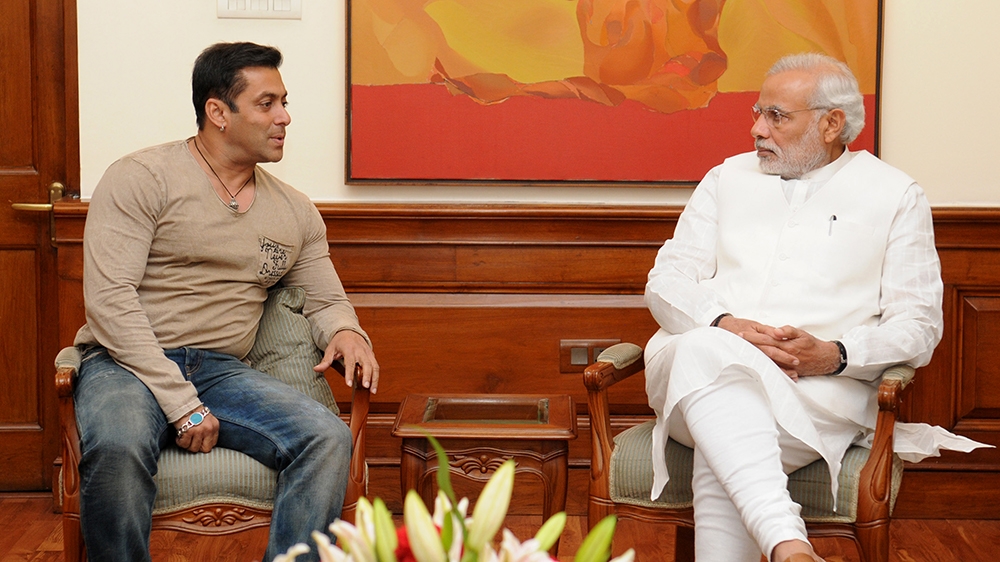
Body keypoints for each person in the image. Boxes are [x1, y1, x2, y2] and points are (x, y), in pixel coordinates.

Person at [643, 52, 987, 562]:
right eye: (758, 113)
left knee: (727, 443)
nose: (758, 129)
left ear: (831, 123)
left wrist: (835, 354)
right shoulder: (726, 179)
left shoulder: (895, 195)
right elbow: (665, 281)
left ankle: (788, 546)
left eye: (776, 116)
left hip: (815, 397)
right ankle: (788, 545)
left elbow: (918, 324)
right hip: (692, 375)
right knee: (703, 350)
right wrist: (725, 325)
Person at [72, 42, 379, 562]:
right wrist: (182, 404)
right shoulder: (142, 177)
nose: (284, 117)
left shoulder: (295, 212)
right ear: (217, 111)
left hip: (220, 371)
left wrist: (347, 332)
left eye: (284, 102)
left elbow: (325, 299)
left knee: (327, 438)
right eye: (266, 104)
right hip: (126, 363)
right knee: (118, 446)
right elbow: (110, 301)